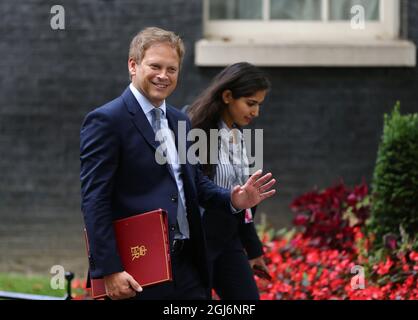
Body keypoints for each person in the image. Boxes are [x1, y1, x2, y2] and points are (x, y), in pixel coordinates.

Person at [80, 27, 276, 300]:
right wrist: (110, 270)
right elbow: (95, 200)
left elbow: (195, 183)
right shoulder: (107, 121)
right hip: (140, 268)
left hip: (188, 265)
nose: (163, 76)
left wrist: (234, 198)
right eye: (155, 66)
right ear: (133, 66)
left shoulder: (180, 121)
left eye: (171, 69)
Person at [187, 62, 271, 300]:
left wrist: (253, 250)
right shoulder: (195, 130)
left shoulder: (242, 137)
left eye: (259, 105)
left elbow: (243, 202)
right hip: (198, 243)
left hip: (228, 240)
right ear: (227, 96)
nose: (256, 112)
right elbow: (195, 188)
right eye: (250, 103)